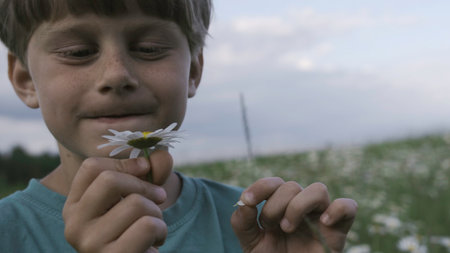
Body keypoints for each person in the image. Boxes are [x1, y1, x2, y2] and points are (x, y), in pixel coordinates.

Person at [0, 0, 358, 252]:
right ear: (24, 79)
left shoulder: (259, 222)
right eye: (78, 52)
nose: (116, 75)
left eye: (150, 48)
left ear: (193, 71)